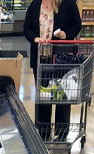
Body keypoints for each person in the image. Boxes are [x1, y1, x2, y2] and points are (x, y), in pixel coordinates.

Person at [24, 0, 82, 141]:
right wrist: (35, 38)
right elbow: (27, 28)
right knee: (43, 96)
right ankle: (43, 132)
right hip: (40, 58)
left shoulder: (68, 3)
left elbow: (77, 25)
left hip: (62, 58)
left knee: (62, 95)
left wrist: (66, 35)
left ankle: (61, 133)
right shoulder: (35, 4)